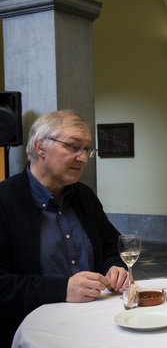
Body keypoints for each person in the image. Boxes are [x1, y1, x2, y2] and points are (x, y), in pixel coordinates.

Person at [0, 110, 129, 346]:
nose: (83, 158)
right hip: (32, 330)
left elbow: (112, 245)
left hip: (93, 324)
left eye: (87, 149)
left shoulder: (83, 196)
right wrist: (63, 289)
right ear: (40, 147)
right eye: (73, 147)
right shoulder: (5, 201)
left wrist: (115, 267)